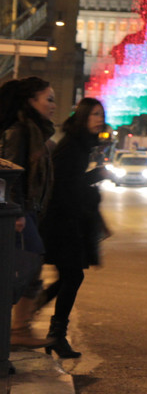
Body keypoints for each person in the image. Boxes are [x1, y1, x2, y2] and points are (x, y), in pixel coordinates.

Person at [39, 97, 110, 359]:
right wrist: (96, 175)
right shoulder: (72, 146)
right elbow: (64, 184)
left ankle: (50, 328)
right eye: (93, 114)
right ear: (82, 116)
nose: (99, 119)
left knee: (69, 276)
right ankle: (54, 334)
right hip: (63, 220)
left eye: (101, 114)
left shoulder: (82, 144)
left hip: (69, 219)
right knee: (72, 276)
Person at [0, 77, 56, 346]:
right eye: (49, 98)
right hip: (17, 212)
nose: (53, 105)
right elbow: (8, 171)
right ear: (31, 100)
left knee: (30, 265)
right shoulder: (20, 131)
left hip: (27, 210)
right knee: (28, 264)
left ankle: (19, 328)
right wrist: (16, 212)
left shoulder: (34, 130)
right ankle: (17, 329)